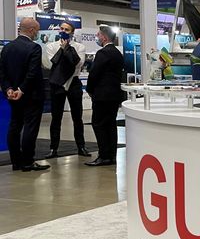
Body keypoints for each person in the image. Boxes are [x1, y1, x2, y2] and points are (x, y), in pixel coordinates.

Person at [0, 17, 49, 171]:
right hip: (31, 96)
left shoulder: (7, 48)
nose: (38, 33)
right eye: (37, 30)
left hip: (12, 95)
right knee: (30, 127)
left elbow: (2, 72)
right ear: (32, 30)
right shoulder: (34, 48)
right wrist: (22, 90)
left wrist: (8, 89)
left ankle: (16, 161)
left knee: (14, 125)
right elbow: (32, 73)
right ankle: (28, 161)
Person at [42, 21, 90, 158]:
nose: (63, 31)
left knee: (77, 117)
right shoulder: (51, 46)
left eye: (67, 29)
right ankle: (53, 148)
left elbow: (78, 63)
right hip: (57, 83)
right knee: (56, 117)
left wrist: (68, 49)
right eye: (62, 28)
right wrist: (63, 50)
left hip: (73, 82)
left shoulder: (80, 47)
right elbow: (53, 63)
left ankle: (81, 146)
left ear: (72, 32)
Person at [85, 26, 123, 166]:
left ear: (104, 37)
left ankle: (103, 155)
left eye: (98, 34)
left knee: (99, 125)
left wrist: (90, 89)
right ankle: (111, 155)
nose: (97, 36)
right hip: (114, 95)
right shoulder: (117, 54)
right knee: (111, 125)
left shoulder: (103, 53)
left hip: (102, 95)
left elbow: (94, 73)